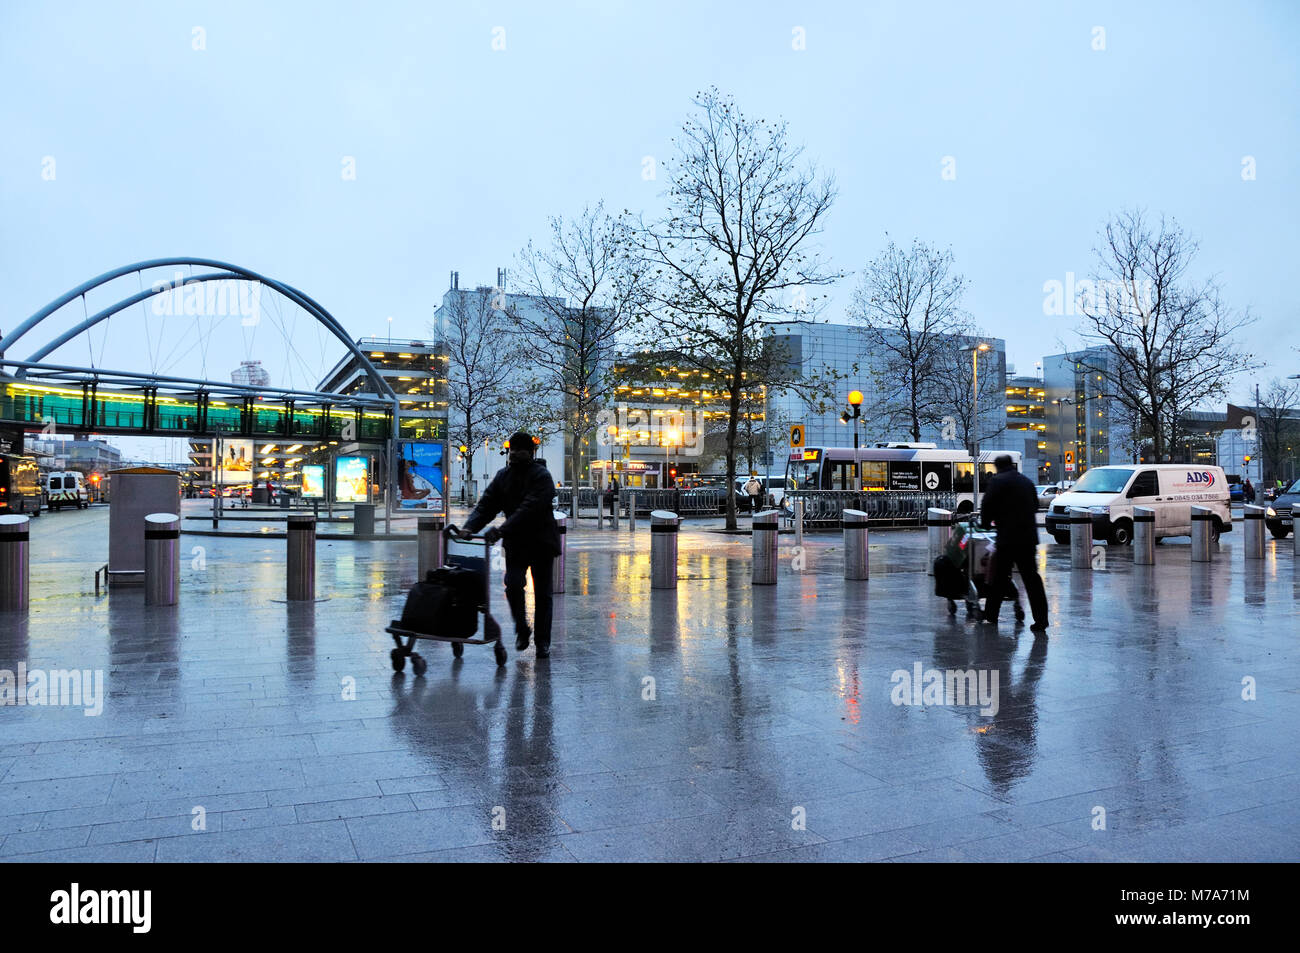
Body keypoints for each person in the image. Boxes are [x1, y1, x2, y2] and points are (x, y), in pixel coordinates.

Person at [459, 430, 561, 658]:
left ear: (531, 453)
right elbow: (487, 505)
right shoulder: (503, 476)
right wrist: (469, 527)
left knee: (543, 594)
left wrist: (501, 530)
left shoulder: (542, 476)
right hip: (517, 543)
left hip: (542, 542)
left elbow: (530, 508)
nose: (514, 455)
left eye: (519, 451)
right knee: (513, 585)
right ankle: (522, 629)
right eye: (512, 451)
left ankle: (542, 642)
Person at [978, 454, 1049, 635]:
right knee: (1032, 579)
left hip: (1007, 539)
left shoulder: (997, 481)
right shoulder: (1026, 481)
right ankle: (1041, 620)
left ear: (997, 467)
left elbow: (987, 506)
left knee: (998, 578)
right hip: (1027, 539)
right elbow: (1035, 505)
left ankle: (991, 616)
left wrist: (986, 523)